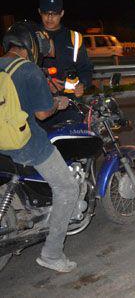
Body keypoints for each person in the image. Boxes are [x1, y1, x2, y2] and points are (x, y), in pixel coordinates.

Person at [1, 21, 78, 272]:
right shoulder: (29, 70)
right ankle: (52, 254)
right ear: (30, 45)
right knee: (67, 188)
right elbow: (44, 113)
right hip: (24, 145)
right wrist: (58, 103)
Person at [37, 0, 93, 127]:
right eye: (46, 13)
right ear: (39, 12)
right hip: (40, 106)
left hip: (70, 105)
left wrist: (83, 84)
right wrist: (44, 82)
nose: (49, 18)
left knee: (73, 145)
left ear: (61, 13)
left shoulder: (75, 38)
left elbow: (85, 68)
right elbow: (24, 69)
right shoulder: (31, 36)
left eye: (54, 13)